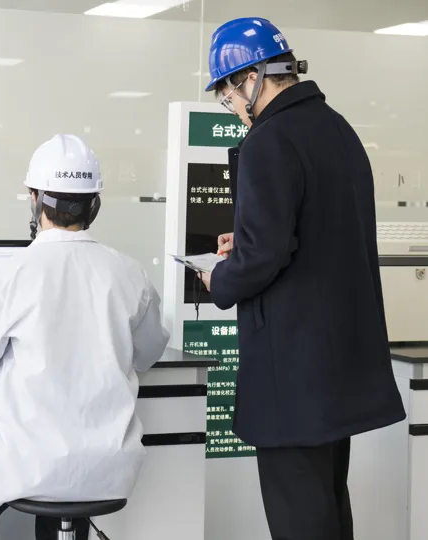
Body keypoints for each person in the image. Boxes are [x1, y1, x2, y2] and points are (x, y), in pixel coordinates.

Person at [199, 17, 406, 540]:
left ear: (252, 78)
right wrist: (248, 241)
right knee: (328, 506)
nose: (232, 105)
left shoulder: (269, 140)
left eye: (228, 92)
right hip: (337, 367)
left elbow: (264, 256)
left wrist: (221, 278)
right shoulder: (337, 128)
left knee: (299, 516)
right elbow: (321, 231)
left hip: (291, 373)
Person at [0, 134, 170, 540]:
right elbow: (148, 353)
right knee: (65, 495)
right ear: (94, 204)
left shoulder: (12, 274)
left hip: (31, 462)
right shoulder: (129, 272)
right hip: (111, 468)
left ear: (34, 199)